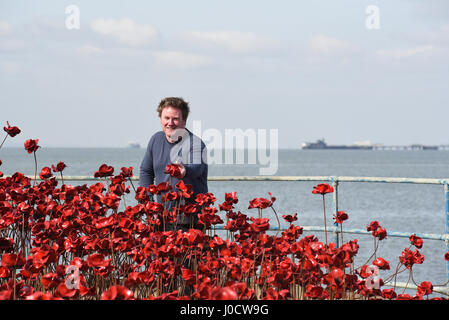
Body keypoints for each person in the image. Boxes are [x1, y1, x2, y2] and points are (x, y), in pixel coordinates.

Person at [139, 97, 208, 230]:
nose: (170, 123)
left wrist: (185, 170)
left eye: (175, 119)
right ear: (160, 119)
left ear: (184, 121)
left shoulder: (196, 144)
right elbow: (146, 171)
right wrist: (148, 204)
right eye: (166, 118)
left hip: (189, 222)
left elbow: (198, 167)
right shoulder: (155, 140)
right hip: (160, 219)